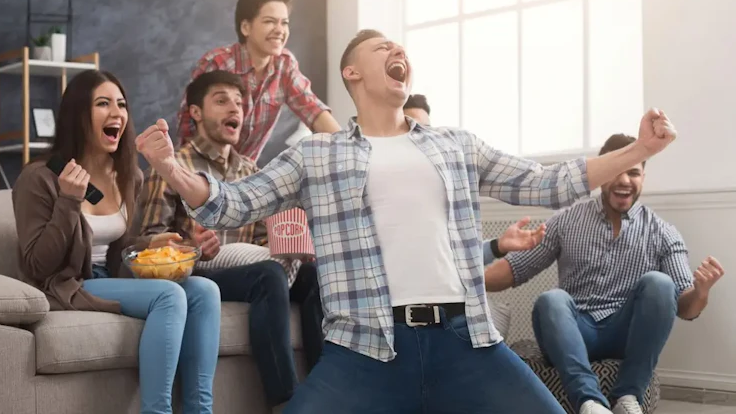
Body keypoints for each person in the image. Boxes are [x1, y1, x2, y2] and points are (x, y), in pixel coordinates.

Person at [135, 29, 678, 414]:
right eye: (380, 47)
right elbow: (234, 202)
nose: (397, 49)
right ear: (352, 72)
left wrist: (638, 149)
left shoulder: (455, 145)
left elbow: (549, 183)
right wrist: (168, 167)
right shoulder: (316, 154)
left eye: (399, 46)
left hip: (468, 344)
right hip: (364, 350)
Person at [11, 70, 221, 414]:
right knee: (169, 297)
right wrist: (67, 201)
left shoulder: (128, 176)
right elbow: (38, 265)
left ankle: (200, 410)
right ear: (79, 116)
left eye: (121, 104)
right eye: (103, 103)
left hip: (111, 278)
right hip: (67, 284)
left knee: (204, 291)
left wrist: (151, 245)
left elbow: (120, 249)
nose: (116, 113)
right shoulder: (40, 177)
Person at [485, 133, 724, 414]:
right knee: (552, 300)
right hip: (574, 333)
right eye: (616, 170)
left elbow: (686, 308)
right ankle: (590, 402)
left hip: (624, 335)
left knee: (660, 284)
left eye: (633, 172)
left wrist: (702, 291)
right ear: (602, 173)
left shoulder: (663, 232)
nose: (624, 180)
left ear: (643, 178)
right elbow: (515, 269)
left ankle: (628, 397)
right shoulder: (566, 221)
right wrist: (464, 280)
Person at [138, 69, 323, 411]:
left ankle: (324, 392)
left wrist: (297, 248)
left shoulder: (252, 171)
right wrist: (189, 245)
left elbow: (266, 242)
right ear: (196, 113)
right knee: (270, 275)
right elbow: (147, 239)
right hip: (200, 274)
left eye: (239, 103)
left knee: (312, 276)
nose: (235, 109)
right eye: (221, 101)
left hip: (248, 269)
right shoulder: (170, 166)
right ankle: (285, 402)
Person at [176, 0, 341, 162]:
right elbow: (188, 125)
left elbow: (312, 109)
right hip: (202, 168)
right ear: (246, 27)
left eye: (284, 22)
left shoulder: (284, 64)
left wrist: (347, 149)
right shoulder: (217, 63)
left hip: (244, 175)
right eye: (270, 21)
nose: (280, 30)